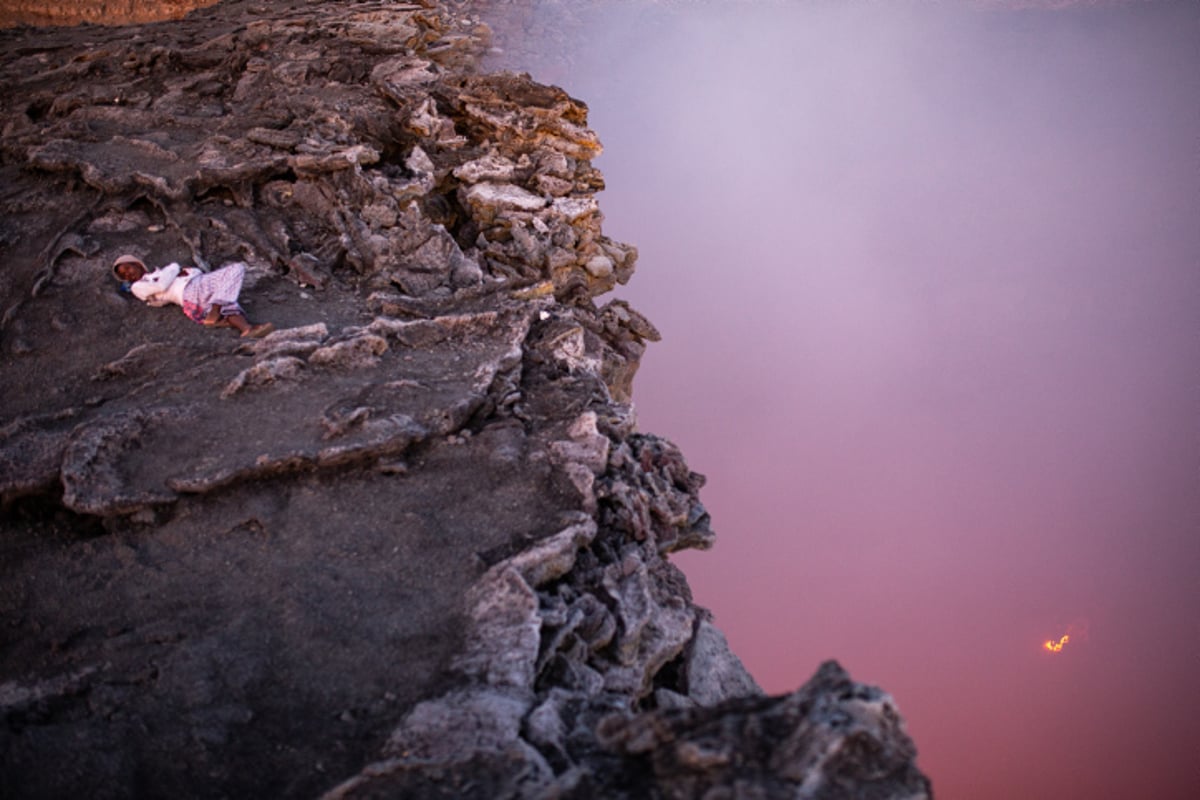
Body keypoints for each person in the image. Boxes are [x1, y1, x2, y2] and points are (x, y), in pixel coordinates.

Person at [112, 254, 274, 338]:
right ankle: (215, 311)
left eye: (128, 268)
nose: (128, 274)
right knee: (233, 274)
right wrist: (176, 268)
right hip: (188, 294)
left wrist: (181, 272)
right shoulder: (137, 287)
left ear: (137, 264)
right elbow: (161, 286)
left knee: (232, 279)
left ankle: (245, 329)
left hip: (198, 283)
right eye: (124, 275)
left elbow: (196, 272)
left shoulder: (159, 272)